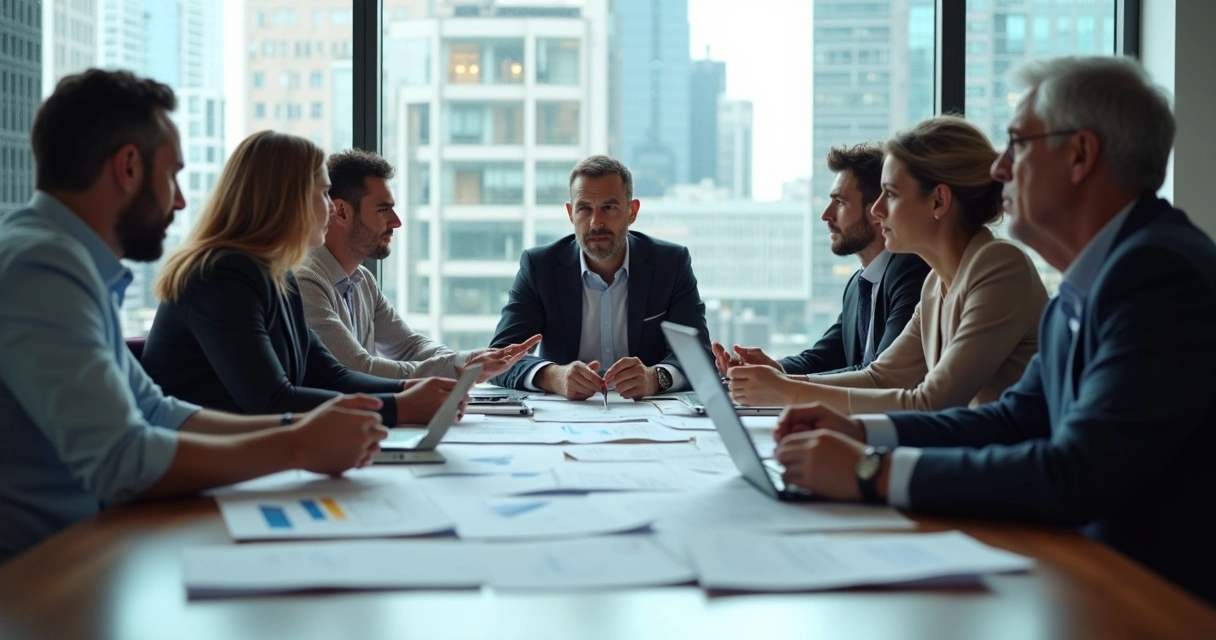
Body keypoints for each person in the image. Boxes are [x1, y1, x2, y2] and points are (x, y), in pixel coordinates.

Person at [770, 56, 1216, 604]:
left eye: (1017, 144)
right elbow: (1013, 420)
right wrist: (862, 434)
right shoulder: (1091, 278)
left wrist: (870, 471)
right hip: (1088, 577)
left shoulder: (1157, 275)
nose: (999, 169)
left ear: (1080, 153)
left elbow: (1075, 472)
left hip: (1158, 601)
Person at [0, 70, 387, 563]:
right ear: (128, 168)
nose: (181, 199)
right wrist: (296, 448)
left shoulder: (64, 262)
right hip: (38, 576)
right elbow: (124, 461)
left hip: (86, 552)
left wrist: (298, 433)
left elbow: (159, 412)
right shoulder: (41, 268)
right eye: (173, 175)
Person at [728, 116, 1048, 415]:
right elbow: (882, 378)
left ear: (938, 201)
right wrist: (778, 384)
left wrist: (788, 393)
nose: (877, 210)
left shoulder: (999, 267)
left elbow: (932, 401)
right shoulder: (936, 282)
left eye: (890, 194)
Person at [142, 131, 464, 426]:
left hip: (249, 463)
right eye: (324, 194)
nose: (330, 208)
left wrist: (410, 390)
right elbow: (272, 401)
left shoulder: (277, 274)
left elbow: (330, 376)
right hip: (201, 474)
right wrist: (399, 407)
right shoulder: (220, 276)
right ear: (287, 200)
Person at [296, 149, 540, 383]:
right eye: (383, 210)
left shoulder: (363, 280)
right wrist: (459, 369)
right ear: (341, 212)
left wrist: (472, 359)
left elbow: (409, 347)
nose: (397, 221)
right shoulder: (305, 281)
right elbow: (358, 369)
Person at [488, 155, 711, 400]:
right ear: (571, 213)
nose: (596, 223)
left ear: (632, 211)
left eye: (609, 208)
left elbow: (699, 356)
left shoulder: (671, 263)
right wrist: (554, 376)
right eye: (584, 209)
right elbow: (498, 358)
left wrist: (655, 378)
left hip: (648, 412)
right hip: (564, 418)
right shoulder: (540, 267)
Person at [713, 143, 930, 377]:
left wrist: (783, 383)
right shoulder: (860, 284)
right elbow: (824, 357)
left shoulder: (911, 272)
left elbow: (882, 375)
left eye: (840, 202)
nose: (826, 215)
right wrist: (773, 369)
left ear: (877, 211)